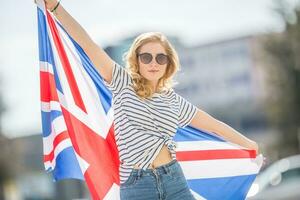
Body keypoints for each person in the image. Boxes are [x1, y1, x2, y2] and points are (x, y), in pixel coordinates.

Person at [42, 1, 259, 199]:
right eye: (146, 57)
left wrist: (249, 144)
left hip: (174, 179)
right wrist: (56, 7)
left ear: (168, 63)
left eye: (160, 57)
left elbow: (215, 126)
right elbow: (89, 45)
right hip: (137, 185)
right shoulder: (122, 82)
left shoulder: (174, 101)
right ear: (136, 60)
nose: (153, 63)